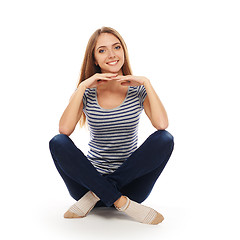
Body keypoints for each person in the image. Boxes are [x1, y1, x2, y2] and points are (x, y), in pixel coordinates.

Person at [49, 27, 174, 225]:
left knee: (165, 138)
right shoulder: (87, 92)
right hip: (87, 184)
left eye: (116, 47)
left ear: (124, 51)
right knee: (57, 142)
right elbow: (64, 130)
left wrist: (147, 83)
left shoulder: (137, 89)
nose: (112, 54)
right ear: (95, 59)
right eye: (102, 50)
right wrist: (81, 87)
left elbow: (162, 124)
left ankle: (100, 194)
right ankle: (120, 202)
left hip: (130, 187)